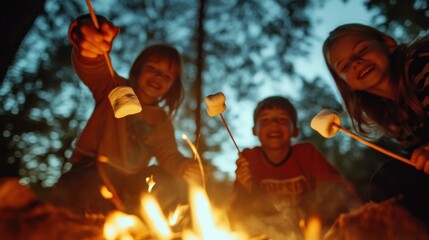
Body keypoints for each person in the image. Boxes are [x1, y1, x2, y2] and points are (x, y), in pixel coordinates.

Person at [49, 14, 202, 215]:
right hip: (93, 170)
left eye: (167, 76)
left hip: (132, 181)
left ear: (173, 86)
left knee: (168, 183)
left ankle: (146, 223)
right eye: (152, 68)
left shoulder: (161, 120)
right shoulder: (115, 87)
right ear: (138, 70)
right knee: (77, 184)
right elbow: (94, 67)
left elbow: (168, 154)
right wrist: (90, 46)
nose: (158, 77)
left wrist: (183, 167)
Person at [322, 23, 429, 226]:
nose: (356, 63)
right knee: (388, 181)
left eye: (362, 50)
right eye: (344, 67)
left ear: (387, 44)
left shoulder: (420, 61)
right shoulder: (394, 117)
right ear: (346, 84)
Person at [227, 96, 360, 238]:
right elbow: (237, 208)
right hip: (270, 228)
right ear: (254, 130)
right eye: (265, 120)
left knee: (334, 192)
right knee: (240, 214)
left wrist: (359, 212)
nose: (274, 124)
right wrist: (244, 186)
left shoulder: (306, 153)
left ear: (295, 130)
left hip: (311, 227)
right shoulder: (249, 158)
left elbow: (335, 187)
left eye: (282, 119)